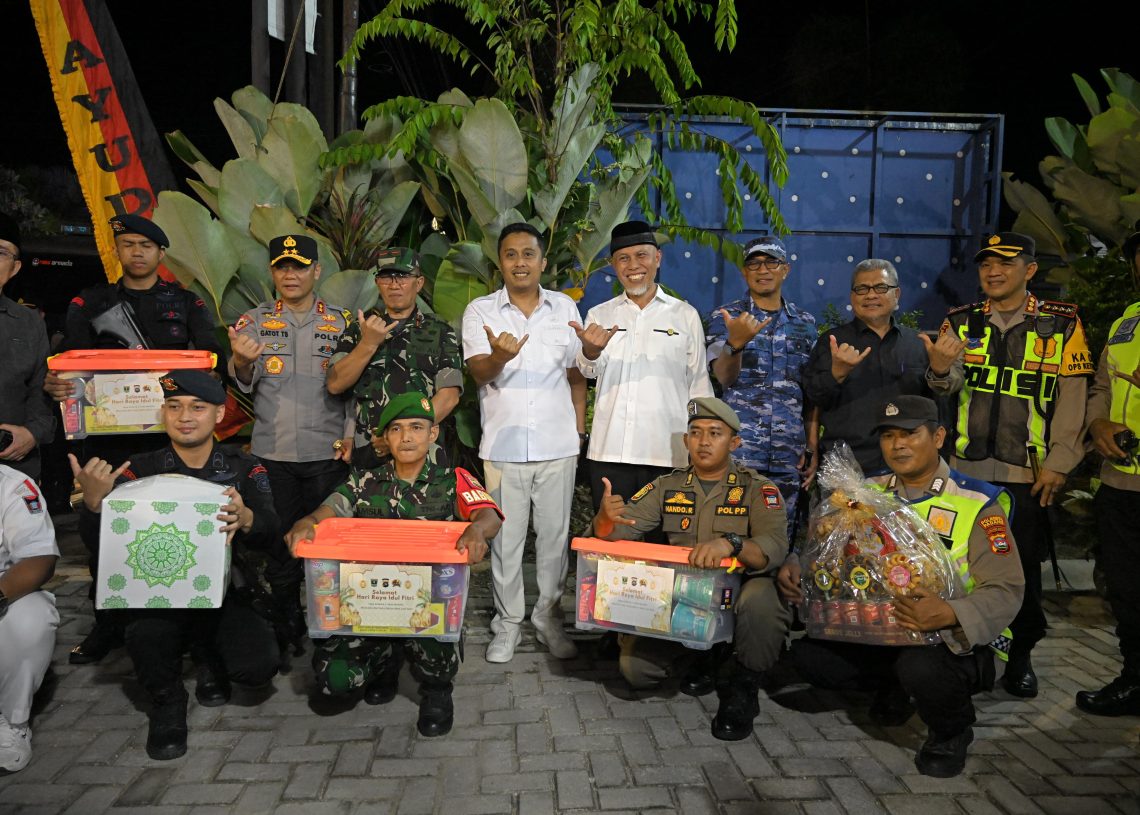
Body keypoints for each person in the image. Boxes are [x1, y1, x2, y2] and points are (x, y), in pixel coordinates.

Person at [778, 395, 1024, 778]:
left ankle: (951, 731)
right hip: (880, 629)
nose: (898, 444)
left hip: (956, 640)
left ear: (938, 436)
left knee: (921, 667)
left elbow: (1006, 588)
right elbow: (832, 556)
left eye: (910, 433)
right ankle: (895, 689)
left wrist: (951, 612)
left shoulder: (978, 502)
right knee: (812, 659)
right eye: (889, 435)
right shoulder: (863, 495)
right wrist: (801, 565)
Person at [43, 213, 226, 666]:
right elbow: (74, 367)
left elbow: (209, 364)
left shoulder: (186, 304)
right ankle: (108, 625)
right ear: (118, 251)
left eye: (147, 245)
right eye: (128, 244)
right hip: (110, 441)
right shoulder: (90, 302)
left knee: (177, 529)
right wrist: (59, 384)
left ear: (161, 253)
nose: (138, 252)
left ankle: (183, 623)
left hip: (172, 440)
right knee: (104, 530)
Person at [71, 371, 279, 760]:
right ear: (163, 413)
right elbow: (102, 547)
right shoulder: (136, 471)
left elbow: (271, 531)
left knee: (258, 666)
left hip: (225, 593)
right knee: (146, 635)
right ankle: (167, 704)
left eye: (197, 407)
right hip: (157, 597)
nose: (185, 416)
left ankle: (206, 654)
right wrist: (95, 506)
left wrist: (247, 517)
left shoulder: (245, 467)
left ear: (219, 415)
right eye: (174, 406)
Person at [926, 232, 1093, 698]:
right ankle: (966, 649)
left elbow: (1073, 400)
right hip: (967, 475)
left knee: (1020, 571)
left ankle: (1019, 656)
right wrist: (939, 370)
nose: (993, 271)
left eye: (1005, 262)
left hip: (1028, 474)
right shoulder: (962, 321)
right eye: (986, 265)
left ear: (1030, 270)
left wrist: (1060, 463)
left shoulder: (1062, 324)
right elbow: (945, 388)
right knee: (959, 565)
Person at [285, 392, 502, 737]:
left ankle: (436, 691)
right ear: (385, 438)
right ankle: (385, 660)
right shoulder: (364, 481)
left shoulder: (452, 479)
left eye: (417, 427)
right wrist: (308, 521)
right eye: (397, 429)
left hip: (429, 604)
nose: (407, 437)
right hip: (370, 602)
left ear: (432, 434)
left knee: (438, 646)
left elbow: (488, 515)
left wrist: (477, 530)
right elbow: (329, 509)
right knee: (333, 679)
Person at [592, 397, 790, 741]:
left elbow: (773, 549)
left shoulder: (759, 490)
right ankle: (706, 657)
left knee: (762, 598)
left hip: (739, 594)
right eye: (696, 433)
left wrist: (732, 543)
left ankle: (743, 685)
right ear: (686, 441)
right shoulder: (667, 487)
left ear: (735, 442)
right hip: (686, 597)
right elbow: (617, 533)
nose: (704, 441)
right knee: (635, 672)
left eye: (715, 433)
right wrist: (605, 519)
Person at [462, 223, 587, 663]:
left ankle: (548, 619)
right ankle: (508, 624)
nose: (520, 262)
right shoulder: (480, 311)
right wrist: (500, 356)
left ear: (542, 262)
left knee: (554, 540)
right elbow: (479, 372)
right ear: (501, 262)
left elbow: (576, 374)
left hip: (558, 444)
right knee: (506, 541)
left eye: (528, 254)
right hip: (503, 447)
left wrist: (578, 430)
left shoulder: (565, 308)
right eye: (511, 254)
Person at [228, 233, 353, 652]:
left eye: (299, 266)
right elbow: (243, 379)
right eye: (282, 266)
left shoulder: (342, 323)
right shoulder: (254, 322)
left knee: (327, 545)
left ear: (316, 271)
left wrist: (351, 436)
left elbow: (355, 389)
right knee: (280, 545)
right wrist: (242, 361)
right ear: (272, 273)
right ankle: (287, 625)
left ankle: (330, 625)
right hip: (273, 454)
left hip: (327, 454)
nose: (290, 274)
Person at [573, 220, 714, 513]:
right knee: (611, 544)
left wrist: (703, 441)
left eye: (642, 255)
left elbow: (699, 384)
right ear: (613, 265)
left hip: (669, 453)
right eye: (623, 258)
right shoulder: (599, 314)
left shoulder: (684, 315)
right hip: (610, 452)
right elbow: (588, 372)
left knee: (662, 546)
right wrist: (590, 351)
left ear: (657, 259)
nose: (633, 265)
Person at [707, 235, 817, 528]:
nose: (763, 269)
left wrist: (811, 445)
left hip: (788, 456)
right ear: (745, 272)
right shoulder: (725, 318)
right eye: (754, 263)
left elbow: (810, 392)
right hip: (739, 453)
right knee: (730, 537)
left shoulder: (805, 324)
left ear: (785, 269)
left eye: (771, 262)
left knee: (781, 540)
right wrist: (736, 343)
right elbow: (723, 377)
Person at [1076, 226, 1140, 717]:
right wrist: (1098, 422)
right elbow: (1102, 383)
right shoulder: (1129, 321)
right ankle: (1136, 678)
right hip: (1122, 479)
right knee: (1126, 586)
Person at [804, 258, 948, 475]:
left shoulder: (918, 344)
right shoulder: (832, 341)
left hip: (907, 466)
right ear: (853, 297)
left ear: (896, 294)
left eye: (881, 288)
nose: (871, 295)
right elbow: (812, 398)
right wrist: (837, 374)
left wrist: (940, 371)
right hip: (848, 470)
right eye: (862, 289)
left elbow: (935, 407)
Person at [326, 247, 463, 469]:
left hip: (423, 456)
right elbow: (335, 384)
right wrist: (368, 344)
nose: (394, 284)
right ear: (377, 283)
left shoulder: (439, 331)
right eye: (387, 277)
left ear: (418, 283)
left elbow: (449, 396)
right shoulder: (359, 328)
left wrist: (402, 437)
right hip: (369, 452)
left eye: (403, 276)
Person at [0, 464, 59, 773]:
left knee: (32, 616)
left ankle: (11, 723)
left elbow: (39, 558)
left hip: (1, 589)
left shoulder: (12, 486)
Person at [0, 212, 53, 481]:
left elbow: (41, 392)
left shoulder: (29, 322)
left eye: (1, 252)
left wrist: (33, 433)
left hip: (12, 472)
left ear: (15, 268)